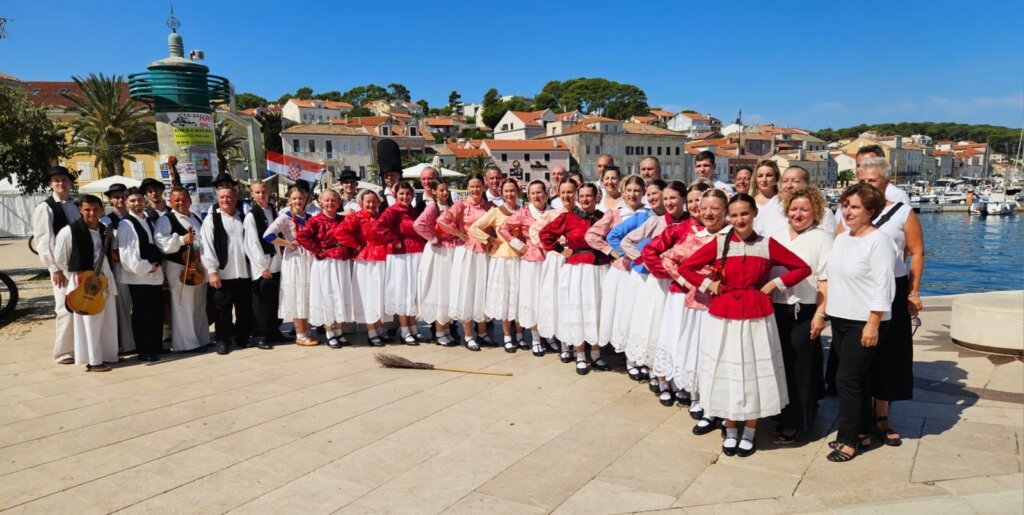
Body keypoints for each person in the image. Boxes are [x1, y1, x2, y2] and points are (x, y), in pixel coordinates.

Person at [680, 193, 811, 458]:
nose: (740, 219)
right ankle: (730, 429)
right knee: (725, 370)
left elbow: (802, 268)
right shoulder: (719, 244)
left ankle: (750, 431)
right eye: (735, 215)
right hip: (724, 314)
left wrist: (776, 284)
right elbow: (686, 267)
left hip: (757, 316)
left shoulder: (767, 244)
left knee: (752, 372)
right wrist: (709, 284)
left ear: (754, 214)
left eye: (745, 214)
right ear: (729, 216)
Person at [840, 156, 925, 447]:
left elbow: (916, 252)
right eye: (862, 181)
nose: (867, 186)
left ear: (886, 182)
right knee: (859, 359)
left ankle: (882, 415)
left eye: (872, 181)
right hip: (856, 292)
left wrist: (913, 291)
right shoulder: (849, 214)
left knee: (889, 355)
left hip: (893, 285)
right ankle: (861, 417)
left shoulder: (902, 212)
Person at [823, 183, 895, 462]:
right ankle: (862, 431)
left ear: (871, 211)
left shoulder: (879, 241)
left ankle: (848, 439)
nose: (847, 211)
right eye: (845, 205)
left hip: (864, 321)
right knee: (858, 379)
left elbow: (884, 286)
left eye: (854, 206)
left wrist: (873, 323)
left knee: (847, 380)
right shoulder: (843, 239)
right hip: (841, 318)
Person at [769, 187, 833, 444]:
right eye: (794, 209)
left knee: (800, 368)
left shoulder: (822, 238)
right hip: (775, 310)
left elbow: (826, 281)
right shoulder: (774, 236)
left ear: (815, 211)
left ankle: (796, 421)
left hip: (803, 310)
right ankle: (782, 411)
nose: (798, 214)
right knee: (778, 365)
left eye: (804, 209)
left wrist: (820, 314)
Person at [642, 182, 713, 410]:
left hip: (704, 299)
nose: (695, 205)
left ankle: (691, 387)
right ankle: (665, 382)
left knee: (694, 342)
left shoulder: (720, 231)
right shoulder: (678, 229)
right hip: (678, 295)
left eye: (699, 201)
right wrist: (672, 275)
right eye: (691, 201)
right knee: (672, 337)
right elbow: (649, 252)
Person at [621, 181, 691, 391]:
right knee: (656, 324)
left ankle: (676, 375)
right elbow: (627, 241)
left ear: (683, 199)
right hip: (659, 282)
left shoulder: (692, 223)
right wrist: (647, 262)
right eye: (666, 198)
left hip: (681, 283)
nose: (669, 202)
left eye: (673, 198)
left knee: (675, 329)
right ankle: (654, 370)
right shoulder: (657, 222)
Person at [539, 182, 610, 374]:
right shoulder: (568, 217)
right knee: (579, 310)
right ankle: (580, 354)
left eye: (590, 196)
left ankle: (595, 354)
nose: (586, 199)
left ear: (597, 198)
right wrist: (562, 250)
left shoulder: (603, 218)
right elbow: (545, 234)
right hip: (578, 269)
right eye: (583, 196)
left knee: (597, 311)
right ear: (578, 198)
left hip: (600, 268)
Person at [608, 179, 667, 380]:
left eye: (655, 194)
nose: (652, 198)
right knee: (635, 316)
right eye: (649, 194)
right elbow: (615, 237)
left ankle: (649, 360)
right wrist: (635, 258)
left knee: (653, 321)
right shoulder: (642, 217)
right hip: (641, 274)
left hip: (662, 278)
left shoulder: (673, 219)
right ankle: (631, 358)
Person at [53, 195, 118, 372]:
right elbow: (60, 258)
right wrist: (77, 277)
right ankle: (94, 360)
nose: (92, 213)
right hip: (85, 282)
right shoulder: (69, 231)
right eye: (87, 209)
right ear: (80, 210)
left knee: (107, 318)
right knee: (91, 321)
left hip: (104, 279)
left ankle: (107, 355)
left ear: (102, 210)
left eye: (95, 209)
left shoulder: (104, 229)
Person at [586, 175, 650, 351]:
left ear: (643, 192)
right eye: (629, 190)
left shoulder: (650, 214)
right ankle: (622, 350)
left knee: (639, 313)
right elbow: (591, 235)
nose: (632, 194)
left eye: (637, 190)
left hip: (643, 272)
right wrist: (614, 252)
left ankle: (636, 351)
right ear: (622, 191)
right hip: (622, 271)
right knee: (622, 311)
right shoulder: (615, 214)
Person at [438, 173, 494, 349]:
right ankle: (468, 334)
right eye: (472, 186)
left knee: (482, 291)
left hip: (484, 252)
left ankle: (483, 332)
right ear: (467, 188)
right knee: (467, 291)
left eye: (478, 186)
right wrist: (458, 233)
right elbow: (442, 221)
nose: (475, 190)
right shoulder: (460, 205)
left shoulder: (490, 206)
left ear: (483, 187)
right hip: (468, 252)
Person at [32, 166, 81, 364]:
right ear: (50, 184)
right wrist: (54, 268)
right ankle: (64, 352)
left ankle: (81, 347)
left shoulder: (76, 205)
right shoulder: (45, 208)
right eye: (56, 180)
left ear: (69, 182)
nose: (61, 183)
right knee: (65, 308)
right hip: (62, 267)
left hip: (79, 263)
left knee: (82, 305)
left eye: (64, 180)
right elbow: (44, 240)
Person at [154, 186, 210, 353]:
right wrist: (181, 240)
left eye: (184, 199)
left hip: (197, 266)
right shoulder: (166, 220)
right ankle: (186, 344)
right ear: (170, 202)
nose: (181, 203)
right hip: (179, 268)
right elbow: (162, 243)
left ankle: (201, 339)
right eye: (176, 200)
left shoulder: (196, 218)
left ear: (190, 200)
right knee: (183, 305)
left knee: (199, 305)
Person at [200, 178, 253, 355]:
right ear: (217, 199)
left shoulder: (243, 217)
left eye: (228, 197)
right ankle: (223, 340)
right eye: (222, 197)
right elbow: (206, 246)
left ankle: (241, 337)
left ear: (235, 197)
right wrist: (212, 271)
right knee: (222, 310)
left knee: (244, 308)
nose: (225, 200)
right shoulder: (211, 220)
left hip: (243, 272)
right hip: (223, 273)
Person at [297, 189, 354, 348]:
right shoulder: (316, 220)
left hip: (340, 262)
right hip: (326, 263)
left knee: (340, 294)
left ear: (338, 202)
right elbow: (302, 236)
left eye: (334, 200)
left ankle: (339, 331)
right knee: (328, 295)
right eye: (327, 200)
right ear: (321, 202)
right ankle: (329, 332)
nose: (330, 203)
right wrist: (318, 251)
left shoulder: (341, 219)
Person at [470, 178, 522, 352]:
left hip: (520, 259)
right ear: (502, 193)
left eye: (512, 190)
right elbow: (474, 228)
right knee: (506, 300)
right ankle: (507, 336)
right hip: (502, 259)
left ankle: (520, 335)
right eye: (506, 191)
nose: (509, 194)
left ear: (518, 192)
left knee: (518, 298)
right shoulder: (496, 211)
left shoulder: (523, 211)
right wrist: (491, 240)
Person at [500, 180, 551, 356]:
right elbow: (503, 228)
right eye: (533, 193)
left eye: (539, 192)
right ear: (528, 196)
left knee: (547, 299)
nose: (537, 196)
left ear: (546, 193)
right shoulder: (524, 212)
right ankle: (535, 337)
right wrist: (518, 245)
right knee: (532, 299)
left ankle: (549, 335)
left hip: (550, 261)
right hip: (530, 261)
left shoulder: (554, 212)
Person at [376, 181, 429, 345]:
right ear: (395, 195)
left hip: (415, 254)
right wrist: (394, 240)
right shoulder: (392, 211)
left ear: (412, 195)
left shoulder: (414, 212)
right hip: (400, 256)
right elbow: (378, 226)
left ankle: (414, 328)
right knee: (402, 292)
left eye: (408, 194)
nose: (405, 197)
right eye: (401, 194)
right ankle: (405, 330)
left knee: (412, 293)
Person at [116, 187, 166, 362]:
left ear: (145, 201)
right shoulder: (126, 224)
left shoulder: (149, 220)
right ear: (127, 203)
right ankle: (144, 350)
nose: (137, 203)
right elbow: (127, 255)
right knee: (142, 314)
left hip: (154, 274)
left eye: (139, 200)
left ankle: (155, 345)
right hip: (139, 277)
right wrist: (147, 267)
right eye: (133, 201)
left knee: (155, 312)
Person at [336, 190, 390, 346]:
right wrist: (357, 245)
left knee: (380, 295)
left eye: (374, 202)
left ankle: (379, 328)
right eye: (368, 202)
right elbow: (340, 232)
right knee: (368, 296)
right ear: (361, 203)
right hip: (366, 261)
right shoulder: (356, 217)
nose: (371, 205)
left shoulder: (382, 217)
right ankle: (371, 331)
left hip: (383, 258)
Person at [266, 186, 316, 346]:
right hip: (294, 259)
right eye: (294, 198)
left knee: (307, 294)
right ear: (289, 200)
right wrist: (288, 243)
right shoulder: (285, 217)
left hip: (308, 258)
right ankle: (300, 334)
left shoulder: (309, 216)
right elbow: (268, 235)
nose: (298, 201)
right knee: (298, 294)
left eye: (300, 198)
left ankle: (307, 330)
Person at [531, 179, 576, 354]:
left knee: (572, 302)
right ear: (558, 192)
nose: (566, 196)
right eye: (563, 192)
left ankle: (574, 341)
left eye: (570, 192)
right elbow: (535, 231)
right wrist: (551, 248)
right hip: (557, 261)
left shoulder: (581, 213)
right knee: (558, 301)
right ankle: (563, 343)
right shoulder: (553, 214)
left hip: (575, 260)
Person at [414, 179, 459, 346]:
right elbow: (418, 224)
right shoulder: (432, 207)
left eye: (446, 190)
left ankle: (446, 328)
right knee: (440, 289)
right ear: (433, 192)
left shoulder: (451, 206)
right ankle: (440, 331)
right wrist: (433, 238)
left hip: (451, 250)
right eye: (441, 190)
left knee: (448, 289)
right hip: (439, 253)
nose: (445, 193)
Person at [243, 182, 282, 350]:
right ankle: (260, 335)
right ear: (252, 194)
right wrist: (262, 266)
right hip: (263, 265)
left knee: (275, 300)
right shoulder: (251, 216)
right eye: (257, 192)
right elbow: (251, 243)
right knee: (261, 303)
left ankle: (274, 331)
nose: (261, 195)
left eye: (264, 191)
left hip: (277, 262)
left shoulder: (274, 211)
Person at [100, 182, 136, 355]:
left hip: (138, 266)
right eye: (116, 197)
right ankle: (127, 343)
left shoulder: (135, 216)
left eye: (123, 196)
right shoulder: (106, 220)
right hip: (118, 266)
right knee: (122, 305)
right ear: (110, 200)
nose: (120, 200)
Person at [757, 166, 838, 236]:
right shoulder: (770, 211)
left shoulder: (823, 214)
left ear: (807, 185)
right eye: (785, 181)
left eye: (795, 181)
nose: (788, 186)